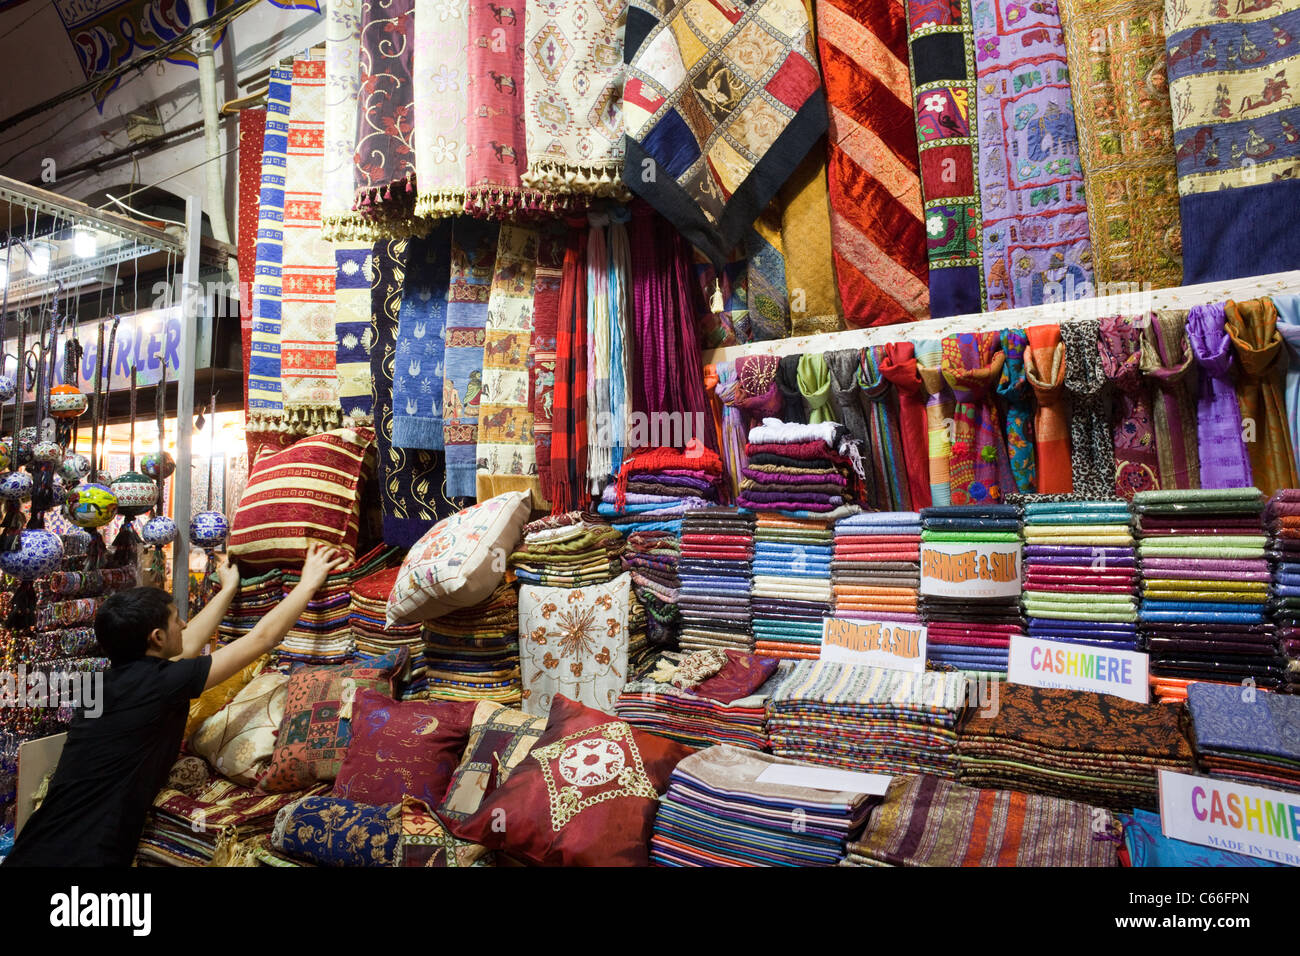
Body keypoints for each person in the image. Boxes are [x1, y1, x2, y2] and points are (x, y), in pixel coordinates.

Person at [3, 543, 351, 867]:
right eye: (175, 619)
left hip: (36, 843)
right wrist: (308, 582)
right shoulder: (162, 684)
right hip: (86, 855)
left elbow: (190, 641)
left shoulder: (100, 685)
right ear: (155, 638)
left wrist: (228, 589)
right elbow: (263, 638)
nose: (184, 623)